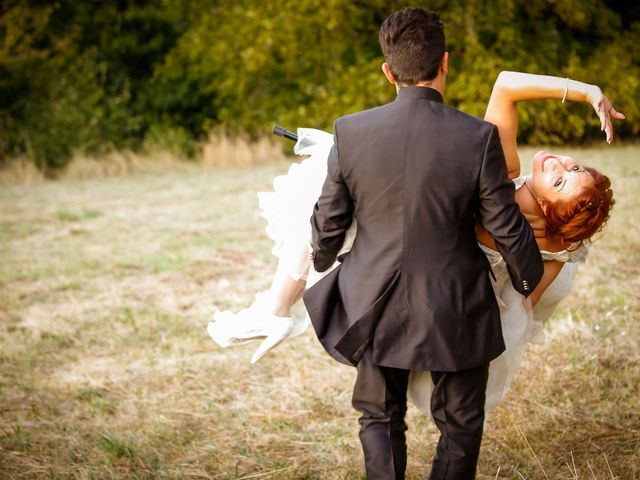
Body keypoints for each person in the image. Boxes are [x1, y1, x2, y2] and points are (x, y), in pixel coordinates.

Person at [207, 8, 622, 479]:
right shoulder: (478, 138)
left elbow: (328, 221)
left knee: (379, 417)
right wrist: (532, 273)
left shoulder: (352, 130)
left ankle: (276, 309)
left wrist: (324, 265)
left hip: (374, 301)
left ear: (388, 71)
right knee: (461, 426)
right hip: (458, 306)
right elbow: (507, 227)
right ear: (445, 64)